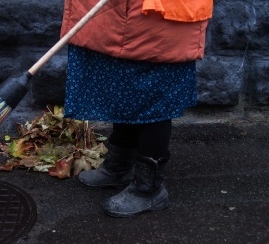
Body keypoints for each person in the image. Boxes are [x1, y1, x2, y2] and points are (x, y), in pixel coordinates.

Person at [60, 0, 213, 217]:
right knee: (124, 88)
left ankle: (148, 189)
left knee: (152, 98)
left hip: (158, 18)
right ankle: (119, 167)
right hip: (117, 15)